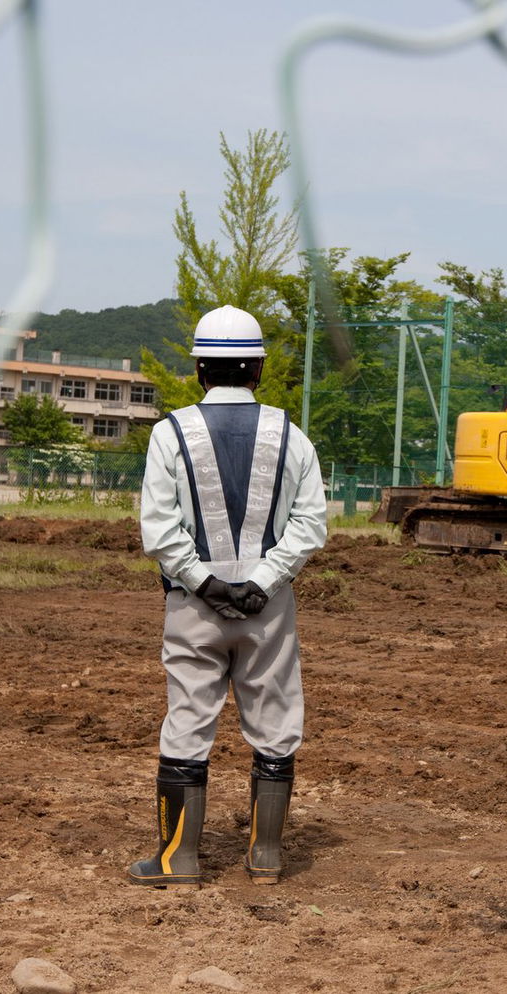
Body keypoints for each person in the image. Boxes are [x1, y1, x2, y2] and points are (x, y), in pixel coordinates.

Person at [128, 305, 328, 886]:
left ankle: (178, 859)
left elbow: (159, 529)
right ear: (258, 371)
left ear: (199, 369)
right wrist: (263, 581)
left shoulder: (170, 433)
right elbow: (310, 525)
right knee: (274, 719)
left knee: (189, 719)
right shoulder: (291, 434)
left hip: (194, 605)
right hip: (268, 607)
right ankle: (265, 855)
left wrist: (206, 583)